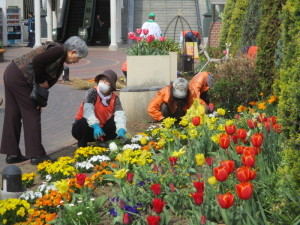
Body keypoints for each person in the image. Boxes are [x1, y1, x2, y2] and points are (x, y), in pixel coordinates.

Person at [0, 36, 88, 165]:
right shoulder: (59, 51)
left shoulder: (60, 55)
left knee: (13, 114)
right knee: (31, 115)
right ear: (73, 51)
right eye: (78, 58)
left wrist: (39, 100)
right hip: (19, 77)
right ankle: (37, 155)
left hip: (13, 73)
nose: (77, 61)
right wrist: (42, 81)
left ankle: (12, 153)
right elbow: (38, 61)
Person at [72, 70, 127, 148]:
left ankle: (106, 142)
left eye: (107, 81)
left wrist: (121, 129)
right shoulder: (92, 92)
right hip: (87, 129)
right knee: (83, 121)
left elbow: (120, 115)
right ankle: (82, 146)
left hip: (101, 131)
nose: (103, 83)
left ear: (111, 85)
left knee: (114, 121)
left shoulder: (115, 98)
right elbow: (88, 111)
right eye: (102, 80)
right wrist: (95, 126)